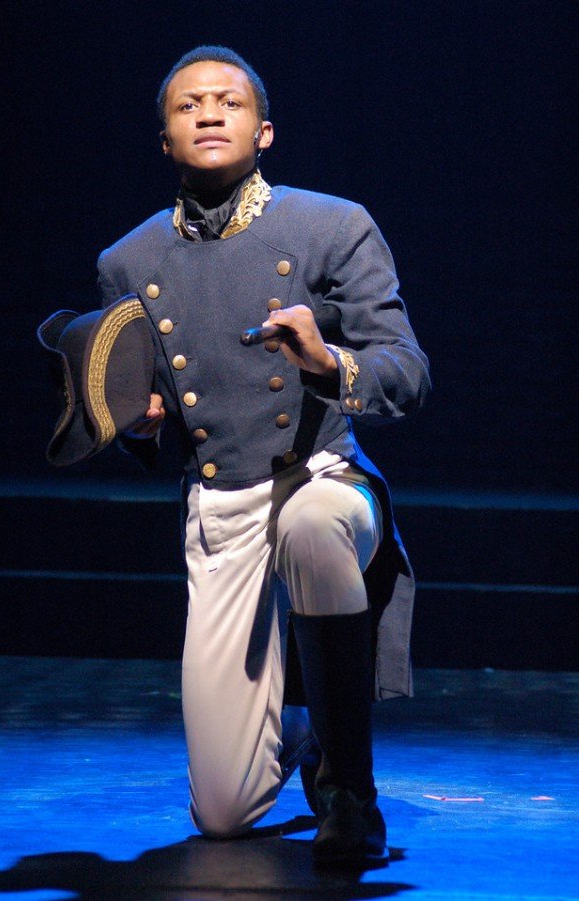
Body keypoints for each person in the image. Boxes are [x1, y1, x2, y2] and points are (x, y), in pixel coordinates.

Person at [97, 45, 430, 868]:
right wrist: (139, 426)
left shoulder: (332, 225)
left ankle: (349, 790)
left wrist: (329, 363)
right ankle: (301, 732)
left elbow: (407, 369)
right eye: (188, 105)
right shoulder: (127, 262)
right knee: (223, 813)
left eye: (229, 101)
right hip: (221, 505)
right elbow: (152, 415)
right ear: (165, 140)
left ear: (264, 131)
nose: (209, 112)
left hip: (321, 478)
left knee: (314, 527)